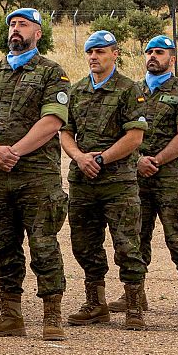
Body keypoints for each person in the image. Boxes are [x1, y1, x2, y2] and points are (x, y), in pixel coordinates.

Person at [0, 8, 70, 341]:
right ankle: (10, 313)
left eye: (23, 25)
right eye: (12, 25)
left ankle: (52, 314)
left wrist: (15, 151)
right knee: (0, 244)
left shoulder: (51, 73)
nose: (15, 30)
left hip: (36, 173)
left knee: (43, 243)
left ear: (37, 33)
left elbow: (52, 121)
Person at [61, 30, 149, 330]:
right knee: (84, 244)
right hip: (83, 180)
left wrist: (101, 158)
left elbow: (134, 136)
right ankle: (95, 304)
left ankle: (134, 307)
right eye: (90, 52)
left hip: (118, 181)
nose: (94, 57)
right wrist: (80, 157)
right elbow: (65, 132)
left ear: (115, 54)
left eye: (100, 51)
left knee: (127, 245)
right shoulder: (77, 90)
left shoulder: (128, 89)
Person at [127, 35, 178, 316]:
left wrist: (155, 160)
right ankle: (136, 294)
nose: (152, 57)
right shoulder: (133, 90)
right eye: (149, 52)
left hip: (171, 177)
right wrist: (137, 161)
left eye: (159, 52)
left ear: (173, 58)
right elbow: (121, 133)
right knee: (135, 236)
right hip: (136, 177)